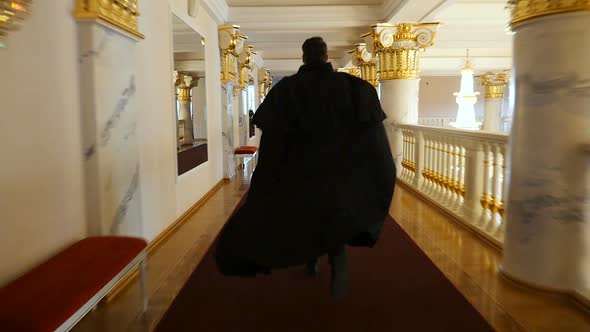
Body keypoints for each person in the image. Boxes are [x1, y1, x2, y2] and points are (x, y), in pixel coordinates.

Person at [214, 37, 396, 300]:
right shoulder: (353, 88)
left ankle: (312, 260)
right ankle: (338, 268)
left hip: (301, 177)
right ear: (326, 55)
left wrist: (268, 181)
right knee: (333, 219)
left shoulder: (287, 90)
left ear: (304, 57)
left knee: (307, 218)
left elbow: (273, 144)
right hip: (340, 178)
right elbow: (373, 141)